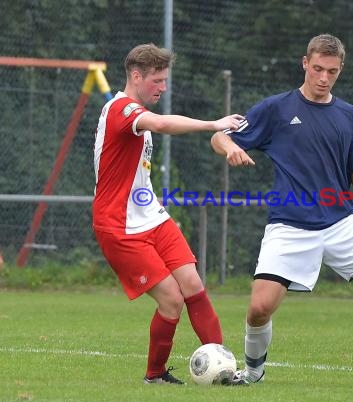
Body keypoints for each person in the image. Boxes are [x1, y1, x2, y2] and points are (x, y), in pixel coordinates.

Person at [211, 34, 353, 389]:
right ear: (305, 63)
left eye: (331, 71)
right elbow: (219, 136)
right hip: (290, 225)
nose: (323, 77)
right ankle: (253, 372)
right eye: (317, 68)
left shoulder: (349, 115)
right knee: (259, 308)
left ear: (340, 70)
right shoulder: (276, 109)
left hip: (340, 222)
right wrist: (229, 147)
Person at [93, 43, 244, 384]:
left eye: (164, 79)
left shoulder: (132, 111)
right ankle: (155, 374)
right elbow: (161, 124)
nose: (163, 87)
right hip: (119, 226)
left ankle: (225, 370)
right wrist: (213, 124)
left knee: (192, 283)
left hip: (151, 215)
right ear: (136, 76)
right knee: (172, 300)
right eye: (157, 80)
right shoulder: (121, 109)